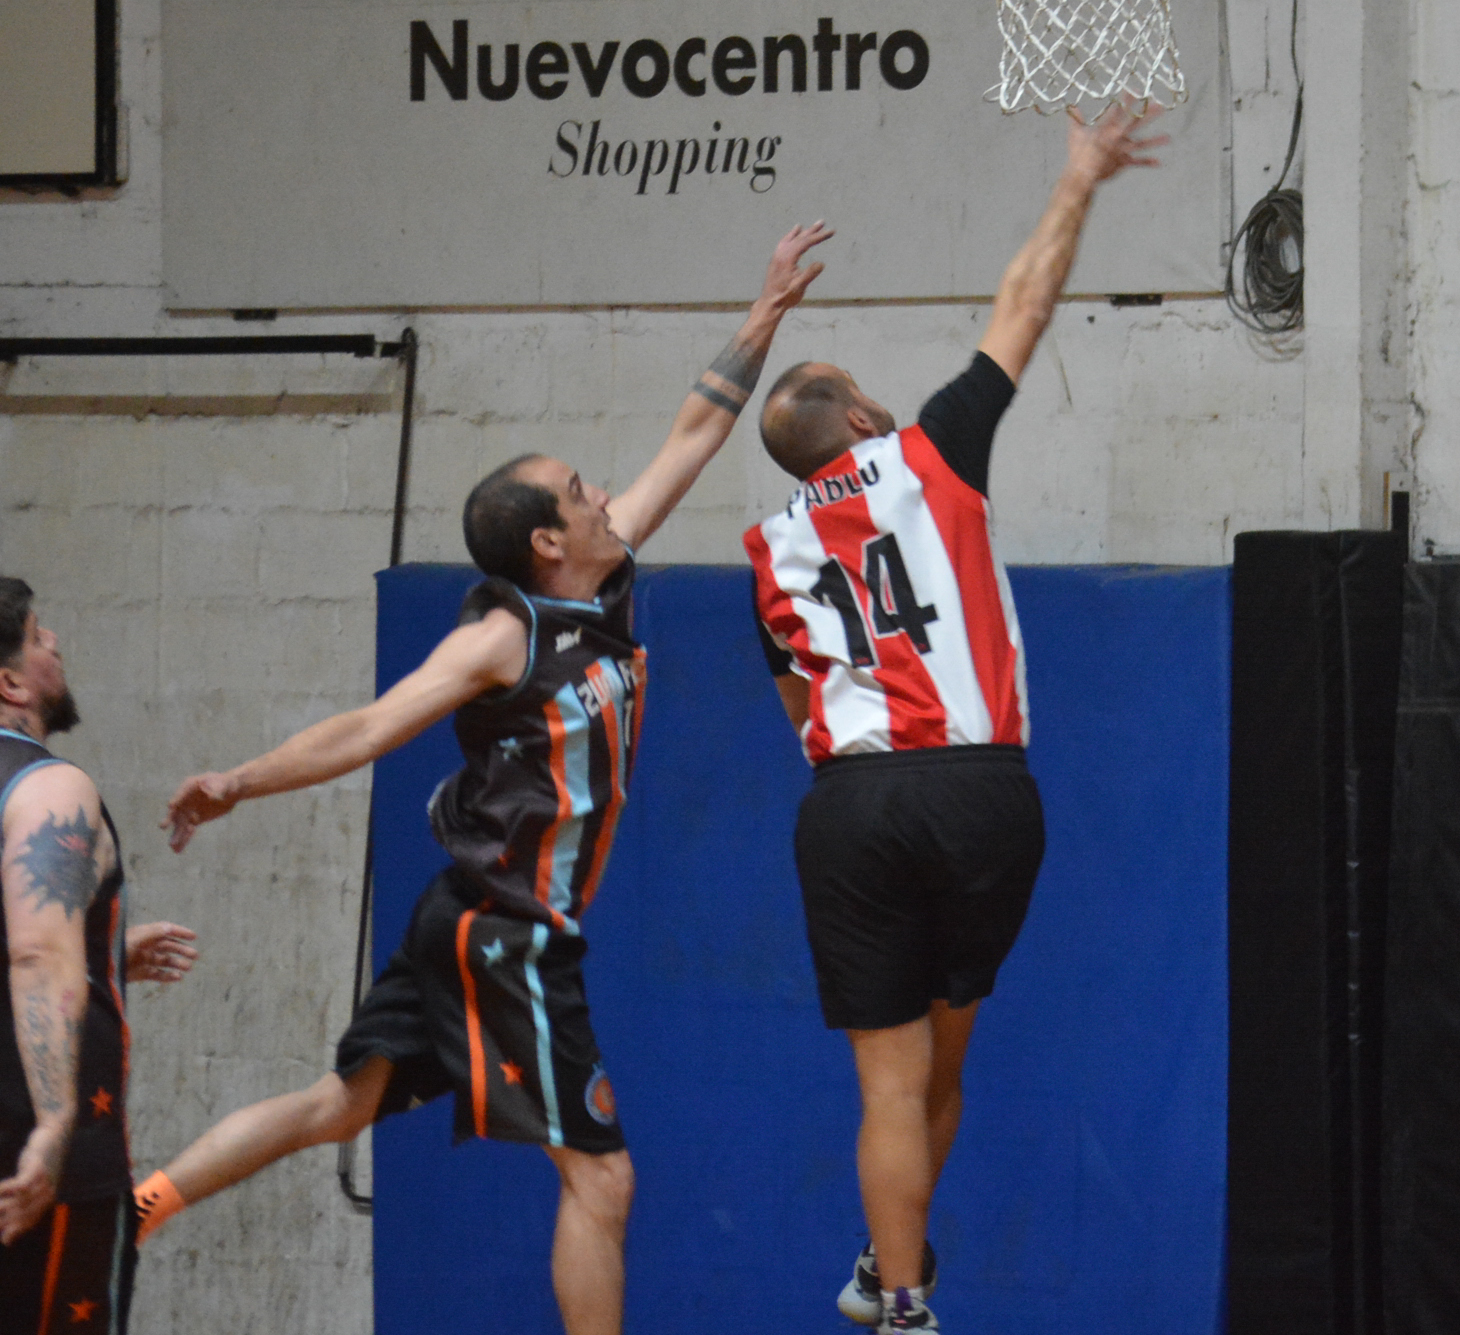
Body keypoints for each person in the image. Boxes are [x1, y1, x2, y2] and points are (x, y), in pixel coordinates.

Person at [142, 222, 834, 1335]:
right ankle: (136, 1210)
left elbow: (698, 428)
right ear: (547, 542)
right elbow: (371, 727)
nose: (601, 491)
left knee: (342, 1106)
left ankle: (137, 1206)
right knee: (600, 1177)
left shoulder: (602, 572)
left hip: (466, 917)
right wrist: (239, 781)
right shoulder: (503, 636)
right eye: (578, 489)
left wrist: (764, 314)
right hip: (502, 928)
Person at [745, 100, 1164, 1335]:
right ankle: (893, 1269)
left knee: (887, 1081)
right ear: (860, 421)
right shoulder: (932, 454)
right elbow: (1023, 302)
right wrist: (1079, 177)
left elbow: (799, 708)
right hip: (981, 786)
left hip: (852, 799)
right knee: (946, 1060)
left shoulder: (768, 551)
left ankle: (903, 1299)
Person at [0, 579, 200, 1335]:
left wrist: (101, 951)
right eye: (38, 635)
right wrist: (54, 1124)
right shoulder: (49, 789)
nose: (55, 643)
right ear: (11, 683)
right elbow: (35, 953)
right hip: (35, 1175)